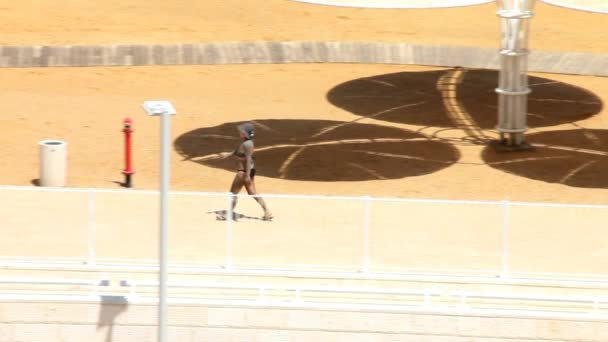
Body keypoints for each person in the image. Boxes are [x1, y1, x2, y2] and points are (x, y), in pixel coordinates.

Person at [224, 122, 272, 221]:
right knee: (252, 192)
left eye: (242, 131)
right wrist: (228, 154)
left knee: (233, 193)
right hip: (246, 171)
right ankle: (267, 212)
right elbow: (238, 151)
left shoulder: (247, 144)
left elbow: (249, 159)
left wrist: (247, 175)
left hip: (243, 171)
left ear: (245, 133)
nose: (239, 131)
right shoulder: (246, 142)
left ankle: (229, 213)